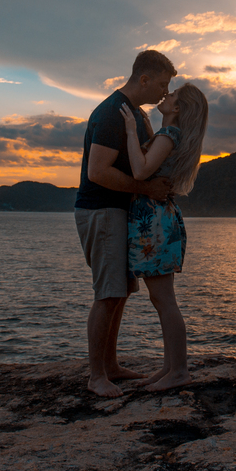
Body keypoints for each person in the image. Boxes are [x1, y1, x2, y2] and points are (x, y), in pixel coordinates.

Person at [74, 50, 176, 397]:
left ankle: (111, 366)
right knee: (108, 294)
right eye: (162, 84)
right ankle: (96, 377)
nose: (165, 92)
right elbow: (97, 172)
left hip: (119, 212)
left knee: (120, 292)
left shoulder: (136, 113)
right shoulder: (111, 113)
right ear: (144, 79)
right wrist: (146, 188)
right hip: (102, 211)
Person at [119, 82, 209, 391]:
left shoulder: (169, 135)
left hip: (155, 221)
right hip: (158, 219)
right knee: (161, 298)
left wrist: (130, 131)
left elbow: (140, 171)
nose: (166, 95)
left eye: (172, 95)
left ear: (178, 108)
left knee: (164, 299)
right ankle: (170, 367)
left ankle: (179, 371)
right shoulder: (170, 135)